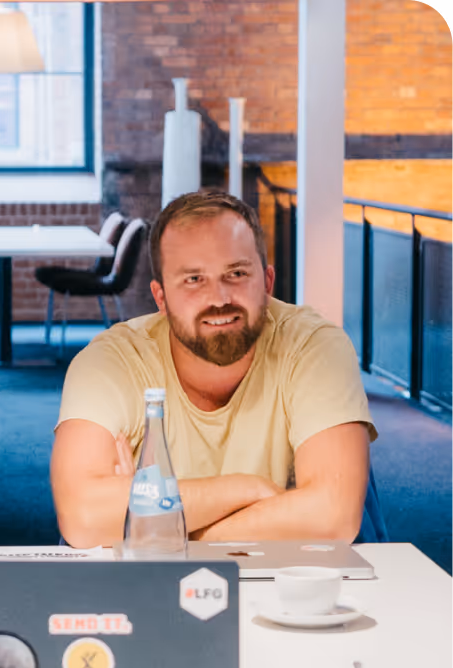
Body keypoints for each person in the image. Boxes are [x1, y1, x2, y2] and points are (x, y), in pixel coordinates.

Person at [51, 191, 375, 548]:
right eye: (193, 279)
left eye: (236, 273)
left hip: (289, 576)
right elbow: (83, 518)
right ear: (161, 298)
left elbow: (332, 517)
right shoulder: (112, 363)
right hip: (161, 580)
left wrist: (158, 529)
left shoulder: (313, 346)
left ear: (267, 283)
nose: (219, 298)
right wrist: (247, 489)